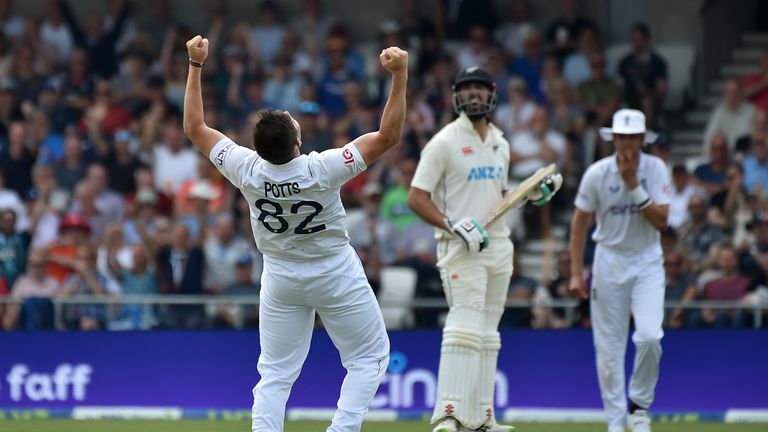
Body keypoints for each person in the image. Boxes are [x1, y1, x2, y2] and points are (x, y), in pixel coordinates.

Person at [183, 35, 407, 432]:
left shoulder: (245, 168)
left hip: (281, 276)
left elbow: (195, 127)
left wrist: (196, 65)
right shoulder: (324, 168)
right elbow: (387, 136)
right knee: (369, 358)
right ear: (299, 142)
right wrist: (400, 74)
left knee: (275, 374)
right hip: (334, 270)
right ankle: (342, 428)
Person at [407, 65, 561, 432]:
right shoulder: (443, 142)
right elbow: (416, 197)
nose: (473, 95)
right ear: (456, 96)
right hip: (461, 247)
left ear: (493, 93)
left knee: (489, 334)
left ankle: (481, 418)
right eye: (466, 89)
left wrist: (532, 195)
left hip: (498, 246)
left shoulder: (501, 142)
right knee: (464, 326)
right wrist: (450, 224)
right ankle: (448, 413)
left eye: (479, 88)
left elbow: (499, 197)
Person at [569, 109, 671, 432]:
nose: (626, 144)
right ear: (613, 139)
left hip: (647, 261)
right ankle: (615, 423)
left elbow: (662, 221)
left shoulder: (655, 170)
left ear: (643, 140)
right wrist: (575, 273)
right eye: (621, 138)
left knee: (650, 337)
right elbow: (579, 224)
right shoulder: (597, 174)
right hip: (609, 261)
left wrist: (631, 183)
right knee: (609, 347)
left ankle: (638, 408)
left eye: (632, 138)